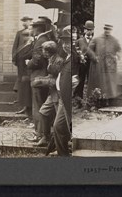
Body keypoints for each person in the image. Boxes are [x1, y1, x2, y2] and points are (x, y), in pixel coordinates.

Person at [25, 18, 52, 143]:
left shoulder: (41, 41)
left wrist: (28, 63)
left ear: (38, 28)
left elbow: (37, 61)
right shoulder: (44, 40)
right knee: (41, 105)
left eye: (33, 27)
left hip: (38, 78)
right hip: (44, 77)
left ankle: (39, 134)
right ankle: (42, 133)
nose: (31, 29)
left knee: (38, 107)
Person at [33, 41, 64, 147]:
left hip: (58, 94)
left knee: (59, 121)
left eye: (43, 50)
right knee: (43, 112)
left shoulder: (58, 61)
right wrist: (40, 79)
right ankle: (46, 137)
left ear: (48, 51)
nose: (42, 52)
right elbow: (51, 76)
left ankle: (58, 143)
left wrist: (41, 81)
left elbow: (56, 79)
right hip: (52, 93)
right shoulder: (51, 59)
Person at [48, 26, 74, 156]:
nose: (66, 45)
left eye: (69, 42)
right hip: (61, 97)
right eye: (64, 42)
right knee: (59, 127)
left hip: (67, 99)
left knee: (61, 126)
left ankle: (64, 153)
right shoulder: (66, 58)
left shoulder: (74, 60)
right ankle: (62, 153)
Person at [86, 24, 122, 99]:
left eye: (109, 29)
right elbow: (89, 50)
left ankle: (108, 99)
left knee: (109, 83)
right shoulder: (97, 39)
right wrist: (94, 57)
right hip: (99, 65)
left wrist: (117, 56)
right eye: (106, 29)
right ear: (104, 29)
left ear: (111, 30)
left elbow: (119, 50)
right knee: (99, 83)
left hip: (109, 66)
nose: (107, 31)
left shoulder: (114, 40)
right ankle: (97, 99)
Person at [12, 16, 33, 114]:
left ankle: (26, 105)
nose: (24, 23)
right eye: (23, 21)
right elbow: (15, 47)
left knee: (26, 82)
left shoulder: (33, 33)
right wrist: (14, 58)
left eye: (26, 21)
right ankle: (21, 101)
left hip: (29, 61)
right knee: (21, 80)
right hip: (21, 61)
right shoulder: (19, 33)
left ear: (30, 21)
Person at [74, 20, 94, 98]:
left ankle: (90, 99)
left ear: (93, 30)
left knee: (91, 81)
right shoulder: (79, 41)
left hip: (92, 64)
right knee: (80, 81)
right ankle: (78, 99)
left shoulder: (94, 41)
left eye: (91, 29)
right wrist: (80, 57)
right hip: (82, 64)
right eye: (87, 29)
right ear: (84, 30)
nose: (89, 31)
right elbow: (76, 52)